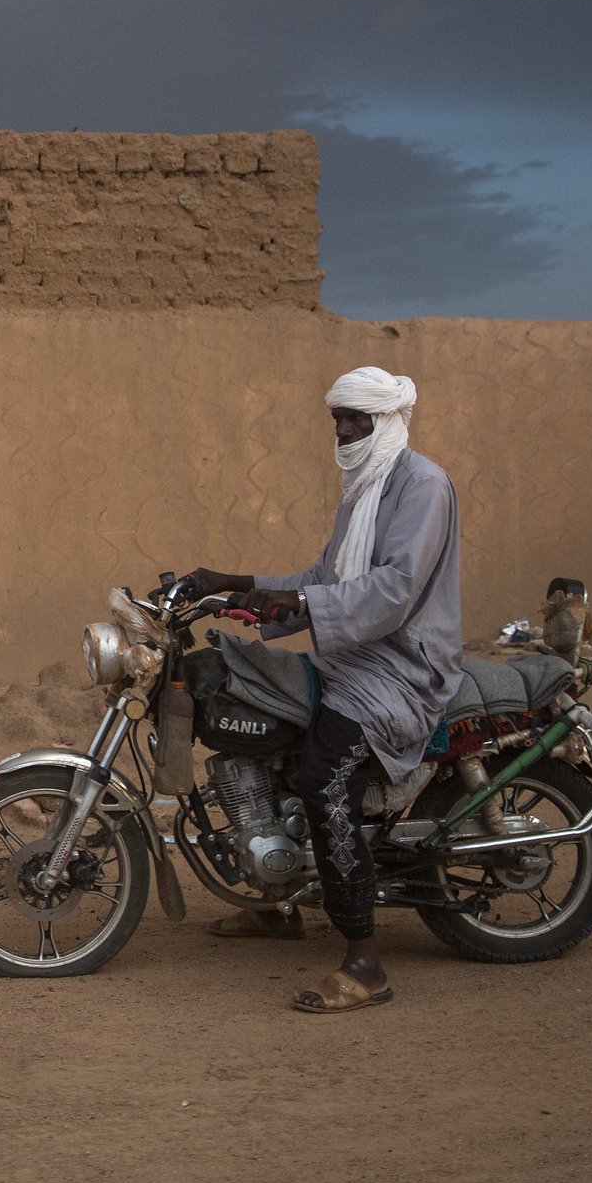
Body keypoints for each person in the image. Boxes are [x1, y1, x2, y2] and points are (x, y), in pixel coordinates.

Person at [188, 365, 461, 1013]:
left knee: (321, 778)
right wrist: (230, 581)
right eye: (336, 417)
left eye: (354, 419)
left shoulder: (422, 486)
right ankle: (277, 902)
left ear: (385, 420)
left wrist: (298, 600)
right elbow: (324, 575)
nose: (340, 430)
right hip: (353, 655)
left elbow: (392, 591)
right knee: (259, 723)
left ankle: (364, 959)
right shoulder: (363, 486)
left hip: (402, 667)